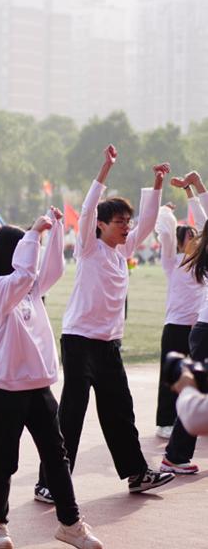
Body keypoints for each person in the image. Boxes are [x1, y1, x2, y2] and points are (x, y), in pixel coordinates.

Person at [35, 145, 174, 503]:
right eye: (120, 221)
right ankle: (49, 482)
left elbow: (147, 224)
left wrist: (157, 185)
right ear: (101, 224)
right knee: (72, 412)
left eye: (128, 221)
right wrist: (105, 169)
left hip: (109, 344)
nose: (127, 227)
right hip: (79, 340)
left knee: (119, 410)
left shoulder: (122, 252)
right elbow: (86, 210)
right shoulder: (89, 248)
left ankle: (137, 473)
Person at [0, 207, 102, 549]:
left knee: (56, 458)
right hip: (2, 387)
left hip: (37, 387)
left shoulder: (29, 289)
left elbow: (53, 269)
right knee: (4, 460)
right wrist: (32, 234)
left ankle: (70, 524)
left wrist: (56, 230)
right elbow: (22, 276)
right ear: (12, 252)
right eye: (23, 247)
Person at [152, 173, 208, 478]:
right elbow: (203, 218)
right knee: (196, 392)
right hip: (202, 329)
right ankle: (174, 455)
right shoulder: (178, 263)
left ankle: (175, 454)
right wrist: (194, 188)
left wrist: (194, 188)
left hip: (200, 328)